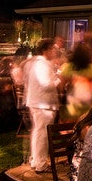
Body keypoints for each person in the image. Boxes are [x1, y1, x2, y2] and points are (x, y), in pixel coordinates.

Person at [24, 38, 62, 173]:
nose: (55, 51)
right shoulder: (41, 64)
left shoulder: (39, 63)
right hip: (42, 104)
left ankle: (36, 160)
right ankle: (40, 164)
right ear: (45, 50)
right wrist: (59, 78)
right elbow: (46, 85)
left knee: (38, 132)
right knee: (43, 135)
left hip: (39, 102)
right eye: (53, 49)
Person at [58, 42, 92, 123]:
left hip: (71, 106)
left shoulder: (66, 67)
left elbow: (61, 88)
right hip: (88, 107)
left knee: (67, 130)